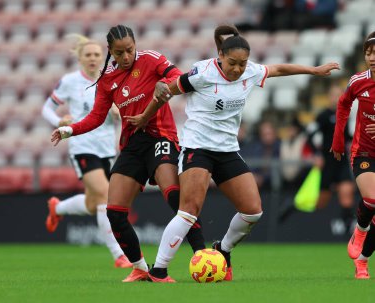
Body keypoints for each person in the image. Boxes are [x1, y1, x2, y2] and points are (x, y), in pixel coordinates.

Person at [127, 24, 339, 282]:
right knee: (189, 210)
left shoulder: (250, 72)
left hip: (227, 151)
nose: (238, 69)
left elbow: (278, 68)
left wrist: (313, 70)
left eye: (242, 63)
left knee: (253, 211)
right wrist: (145, 115)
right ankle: (158, 270)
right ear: (220, 58)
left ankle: (222, 250)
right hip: (198, 149)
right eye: (232, 63)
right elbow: (166, 92)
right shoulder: (201, 73)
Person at [50, 25, 206, 282]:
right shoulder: (107, 79)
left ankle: (202, 253)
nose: (126, 57)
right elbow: (97, 117)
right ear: (110, 51)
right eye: (119, 52)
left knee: (174, 196)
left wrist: (164, 84)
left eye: (130, 50)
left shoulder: (151, 59)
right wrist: (70, 129)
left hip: (161, 137)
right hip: (133, 145)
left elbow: (178, 76)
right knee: (114, 212)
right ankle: (140, 268)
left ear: (136, 45)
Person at [42, 34, 132, 269]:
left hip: (106, 148)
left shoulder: (113, 79)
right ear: (80, 59)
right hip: (82, 147)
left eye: (97, 55)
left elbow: (126, 109)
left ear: (104, 57)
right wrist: (59, 120)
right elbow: (46, 108)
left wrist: (118, 111)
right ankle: (118, 255)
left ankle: (58, 208)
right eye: (88, 55)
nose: (93, 59)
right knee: (105, 195)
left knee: (94, 204)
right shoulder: (70, 81)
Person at [331, 31, 375, 279]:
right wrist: (338, 140)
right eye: (368, 53)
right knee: (373, 199)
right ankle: (360, 229)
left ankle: (363, 262)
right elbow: (343, 103)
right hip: (364, 152)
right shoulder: (359, 81)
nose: (372, 58)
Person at [306, 84, 355, 232]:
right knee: (321, 201)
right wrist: (316, 154)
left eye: (339, 95)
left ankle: (348, 228)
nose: (336, 98)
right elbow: (309, 137)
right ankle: (301, 216)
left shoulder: (348, 115)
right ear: (329, 97)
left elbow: (351, 138)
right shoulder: (323, 116)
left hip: (341, 161)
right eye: (334, 95)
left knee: (347, 192)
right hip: (326, 162)